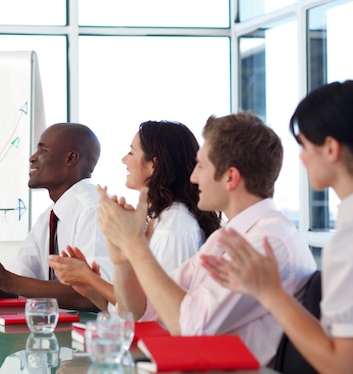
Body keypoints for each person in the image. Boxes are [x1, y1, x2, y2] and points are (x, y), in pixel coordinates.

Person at [96, 112, 317, 366]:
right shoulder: (228, 237)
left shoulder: (268, 242)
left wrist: (135, 246)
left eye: (201, 166)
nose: (193, 177)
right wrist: (122, 258)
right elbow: (142, 311)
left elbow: (189, 328)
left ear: (230, 178)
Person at [201, 80, 353, 372]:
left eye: (305, 145)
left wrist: (270, 292)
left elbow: (341, 365)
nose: (302, 158)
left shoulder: (346, 243)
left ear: (331, 148)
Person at [48, 120, 221, 311]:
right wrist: (89, 288)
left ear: (153, 164)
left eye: (131, 152)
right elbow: (126, 310)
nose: (124, 160)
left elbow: (158, 309)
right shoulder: (155, 219)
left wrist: (90, 278)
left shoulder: (175, 224)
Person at [0, 123, 111, 311]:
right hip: (50, 333)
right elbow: (15, 289)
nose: (32, 158)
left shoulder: (92, 210)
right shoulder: (49, 217)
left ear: (70, 158)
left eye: (42, 150)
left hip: (92, 335)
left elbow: (93, 297)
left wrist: (4, 279)